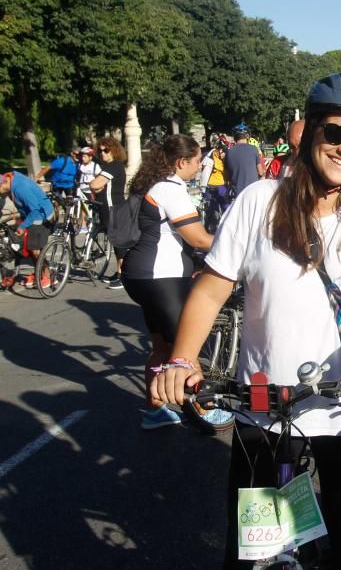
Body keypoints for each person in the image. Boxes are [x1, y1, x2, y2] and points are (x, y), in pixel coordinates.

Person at [151, 72, 341, 570]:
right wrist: (178, 360)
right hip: (264, 404)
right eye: (336, 133)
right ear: (311, 131)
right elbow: (212, 289)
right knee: (250, 547)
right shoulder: (260, 200)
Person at [122, 135, 234, 432]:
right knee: (187, 350)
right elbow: (197, 238)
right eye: (197, 161)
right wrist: (236, 248)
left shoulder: (153, 184)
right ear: (181, 162)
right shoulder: (170, 188)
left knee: (161, 346)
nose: (200, 168)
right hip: (162, 277)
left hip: (142, 276)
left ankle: (154, 410)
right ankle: (204, 409)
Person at [0, 171, 54, 289]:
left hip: (40, 215)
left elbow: (35, 210)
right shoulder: (8, 179)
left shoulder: (20, 188)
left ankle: (48, 276)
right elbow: (3, 197)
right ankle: (39, 272)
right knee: (25, 245)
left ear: (3, 185)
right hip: (29, 212)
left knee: (34, 249)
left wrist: (23, 226)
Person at [89, 137, 129, 289]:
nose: (103, 153)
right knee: (115, 242)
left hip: (114, 208)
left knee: (119, 243)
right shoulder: (110, 167)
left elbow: (95, 184)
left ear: (115, 150)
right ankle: (119, 272)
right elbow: (98, 187)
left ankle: (124, 276)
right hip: (109, 208)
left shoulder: (114, 165)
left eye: (106, 150)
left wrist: (94, 185)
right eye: (100, 151)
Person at [223, 124, 262, 197]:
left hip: (237, 193)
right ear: (247, 136)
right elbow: (260, 172)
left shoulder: (229, 152)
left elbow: (226, 176)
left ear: (234, 136)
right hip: (253, 191)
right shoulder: (254, 149)